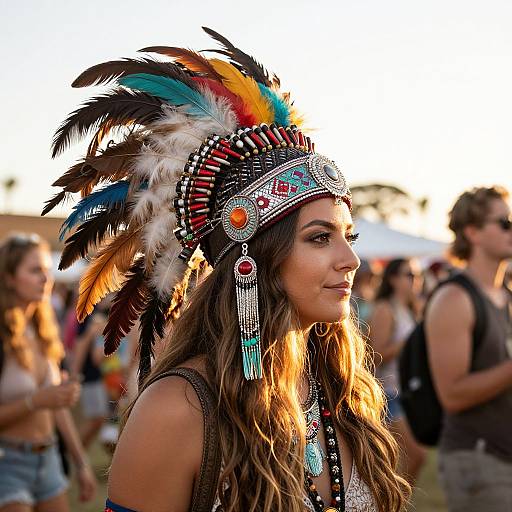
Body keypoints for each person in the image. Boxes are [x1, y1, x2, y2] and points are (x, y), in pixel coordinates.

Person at [47, 28, 410, 511]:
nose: (351, 259)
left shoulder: (345, 391)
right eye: (320, 238)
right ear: (250, 261)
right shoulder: (177, 410)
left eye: (349, 236)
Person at [425, 186, 512, 511]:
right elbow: (452, 394)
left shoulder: (505, 294)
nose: (511, 228)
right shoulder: (454, 299)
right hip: (479, 461)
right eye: (504, 222)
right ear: (473, 232)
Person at [0, 233, 96, 511]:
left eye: (46, 270)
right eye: (34, 270)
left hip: (50, 458)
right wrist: (36, 401)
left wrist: (81, 462)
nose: (45, 278)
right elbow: (44, 400)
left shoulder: (43, 331)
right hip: (8, 463)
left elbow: (57, 408)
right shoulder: (3, 339)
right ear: (8, 278)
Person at [368, 258, 426, 484]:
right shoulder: (385, 309)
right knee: (415, 456)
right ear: (393, 279)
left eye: (418, 275)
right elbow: (376, 356)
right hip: (387, 393)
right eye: (409, 274)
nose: (416, 280)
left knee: (403, 459)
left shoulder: (410, 308)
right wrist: (408, 342)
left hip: (407, 392)